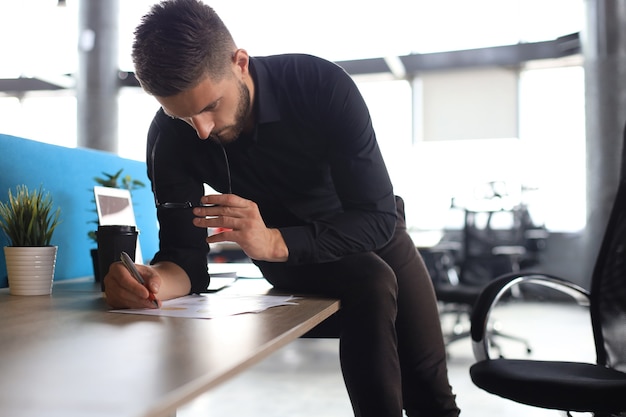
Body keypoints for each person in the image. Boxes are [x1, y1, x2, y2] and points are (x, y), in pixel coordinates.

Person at [103, 1, 460, 416]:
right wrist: (152, 284)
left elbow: (377, 217)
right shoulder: (169, 137)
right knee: (371, 279)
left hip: (365, 232)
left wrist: (272, 239)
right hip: (289, 256)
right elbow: (186, 259)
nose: (201, 130)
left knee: (433, 395)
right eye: (182, 116)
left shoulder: (321, 85)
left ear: (239, 63)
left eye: (210, 107)